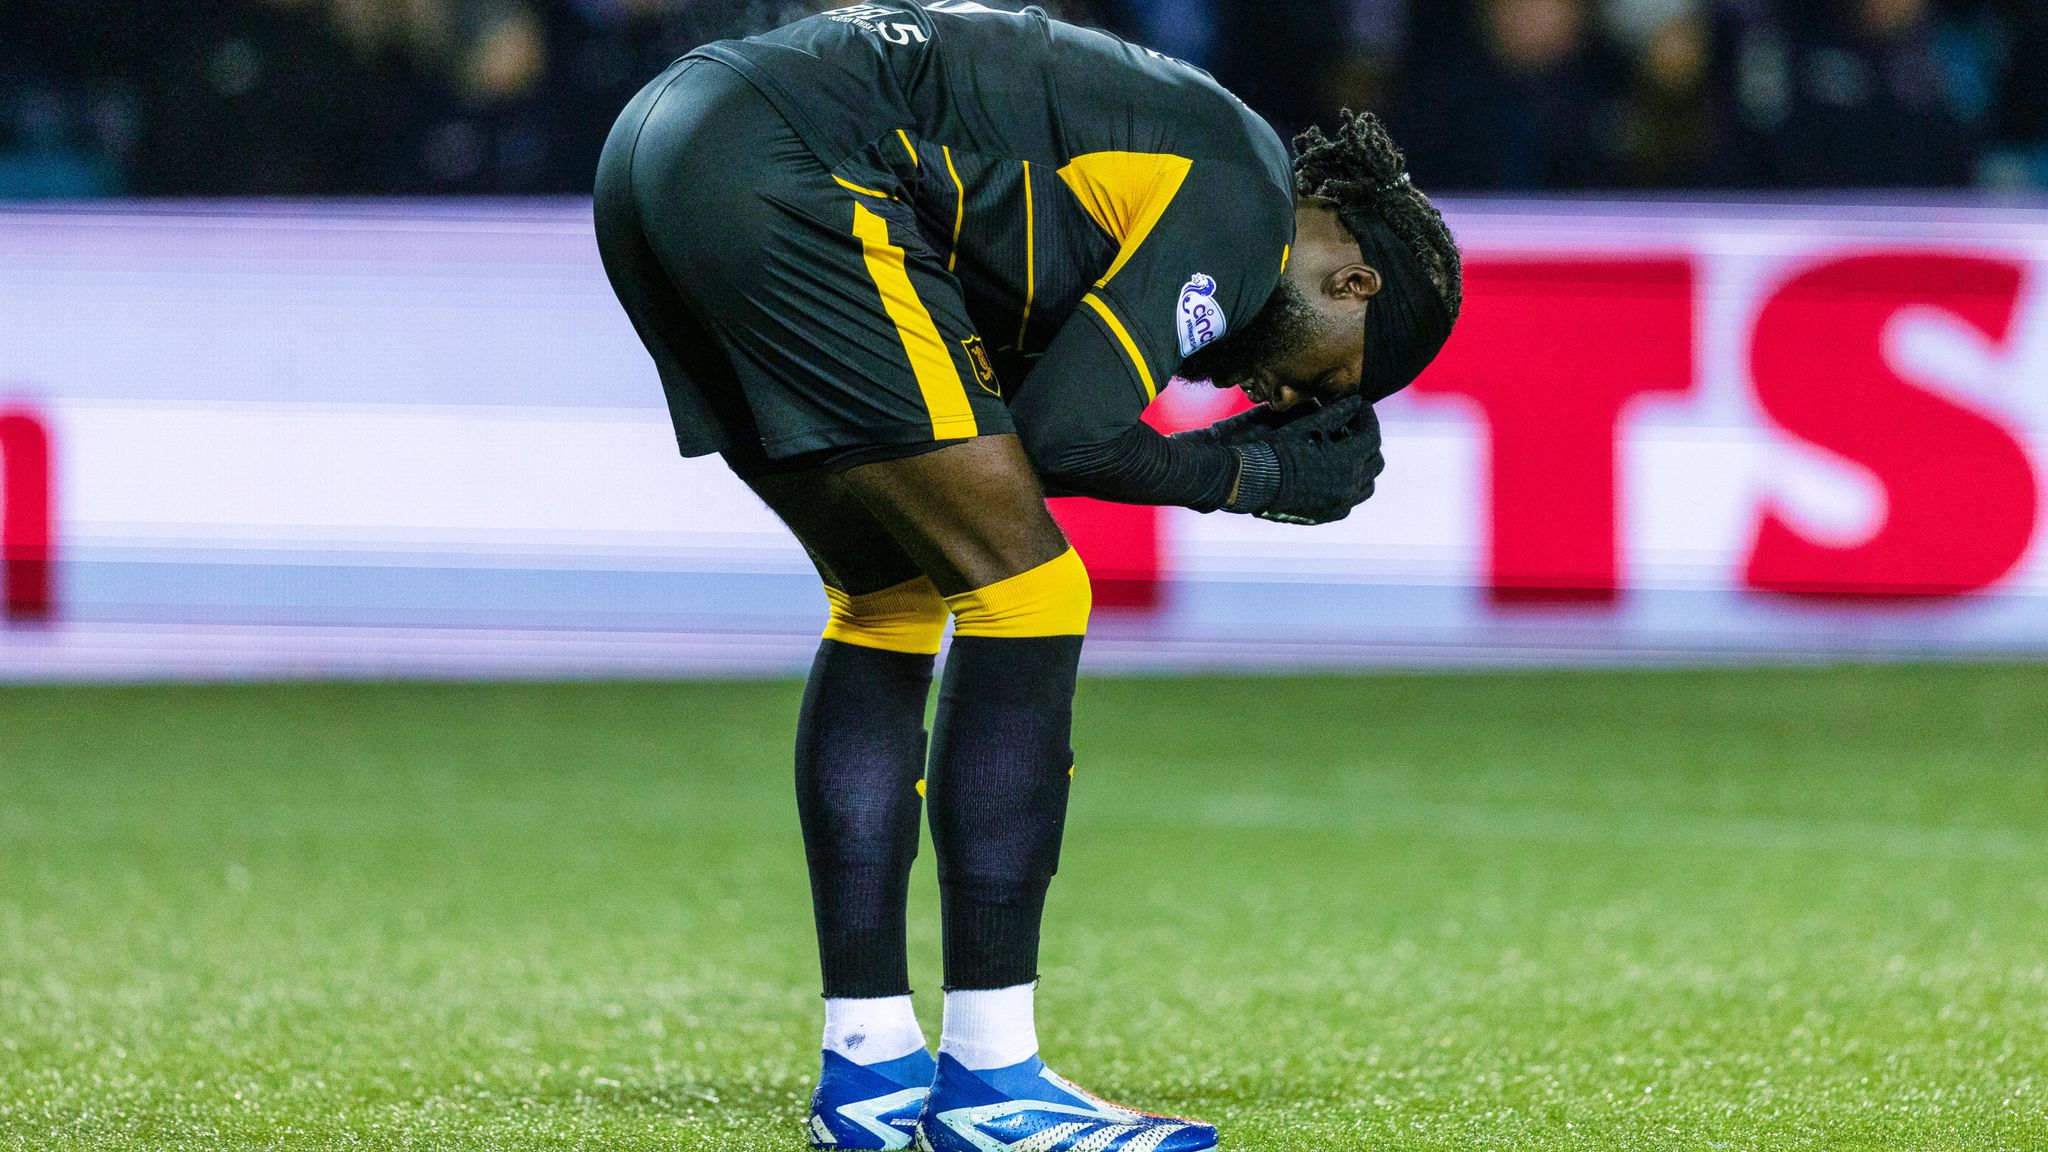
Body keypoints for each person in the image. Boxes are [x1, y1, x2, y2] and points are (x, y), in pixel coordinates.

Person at [592, 3, 1461, 1149]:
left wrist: (1229, 462)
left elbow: (1019, 416)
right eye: (1332, 381)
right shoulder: (1244, 213)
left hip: (660, 142)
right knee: (1029, 592)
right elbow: (1067, 437)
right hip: (787, 156)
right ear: (1351, 284)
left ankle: (870, 1070)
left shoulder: (1179, 155)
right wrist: (1244, 475)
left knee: (891, 594)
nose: (1291, 401)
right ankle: (994, 1082)